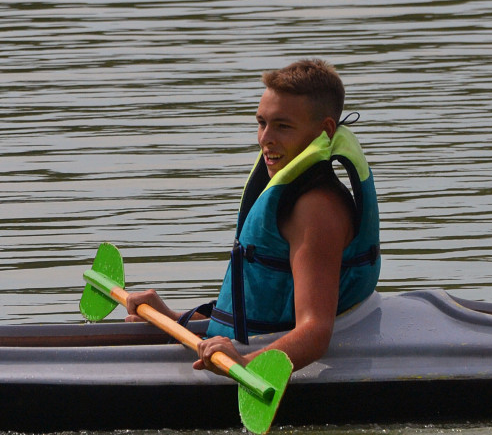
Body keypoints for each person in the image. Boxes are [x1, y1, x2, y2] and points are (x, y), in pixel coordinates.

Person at [125, 58, 381, 372]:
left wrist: (245, 364)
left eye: (283, 126)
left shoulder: (316, 210)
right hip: (245, 348)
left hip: (265, 361)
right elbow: (254, 318)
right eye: (262, 122)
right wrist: (171, 319)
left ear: (324, 130)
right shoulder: (291, 195)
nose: (265, 138)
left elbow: (315, 333)